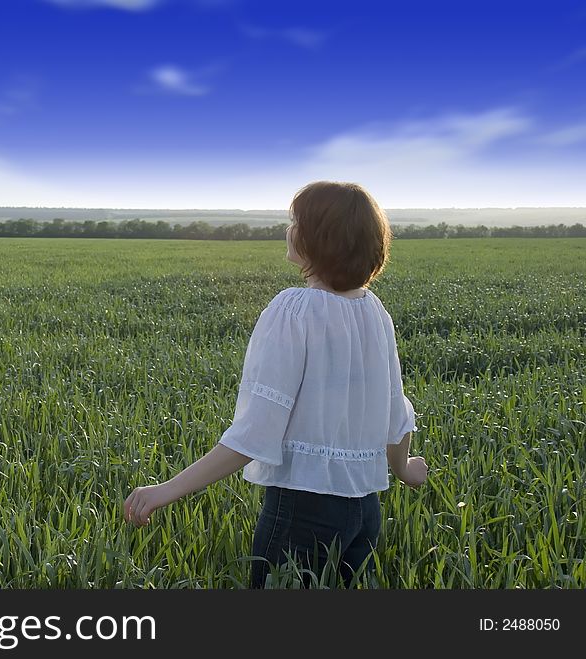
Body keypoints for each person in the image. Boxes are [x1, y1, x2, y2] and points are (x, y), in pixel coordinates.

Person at [123, 181, 428, 588]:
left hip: (303, 511)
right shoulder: (374, 311)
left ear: (318, 238)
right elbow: (396, 409)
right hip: (364, 511)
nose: (288, 230)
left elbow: (256, 432)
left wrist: (167, 489)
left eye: (294, 222)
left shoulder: (293, 310)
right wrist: (404, 468)